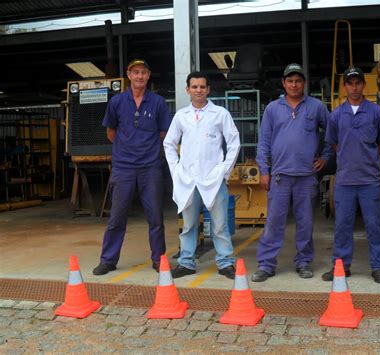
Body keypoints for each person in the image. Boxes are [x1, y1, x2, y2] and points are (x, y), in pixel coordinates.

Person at [252, 63, 333, 282]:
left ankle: (304, 262)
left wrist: (325, 157)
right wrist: (264, 170)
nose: (294, 84)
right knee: (274, 222)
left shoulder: (316, 107)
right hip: (279, 175)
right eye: (290, 81)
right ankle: (266, 264)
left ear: (304, 83)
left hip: (306, 176)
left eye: (298, 81)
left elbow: (331, 133)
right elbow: (264, 142)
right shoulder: (272, 109)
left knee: (305, 222)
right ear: (284, 83)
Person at [93, 59, 172, 275]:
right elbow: (111, 132)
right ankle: (108, 260)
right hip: (124, 167)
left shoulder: (157, 102)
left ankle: (159, 259)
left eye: (143, 72)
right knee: (117, 216)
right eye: (135, 72)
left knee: (155, 216)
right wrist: (127, 147)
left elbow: (163, 132)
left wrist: (145, 148)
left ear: (148, 76)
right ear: (129, 75)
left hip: (150, 167)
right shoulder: (117, 102)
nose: (139, 76)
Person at [163, 72, 240, 280]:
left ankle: (225, 262)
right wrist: (176, 170)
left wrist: (224, 171)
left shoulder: (220, 114)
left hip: (214, 179)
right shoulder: (181, 116)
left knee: (220, 224)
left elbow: (234, 142)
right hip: (188, 180)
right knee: (188, 225)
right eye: (194, 87)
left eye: (202, 87)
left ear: (208, 89)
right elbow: (169, 143)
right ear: (187, 90)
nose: (198, 90)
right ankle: (186, 262)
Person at [322, 67, 380, 283]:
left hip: (369, 180)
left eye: (358, 83)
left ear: (364, 85)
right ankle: (342, 266)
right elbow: (334, 144)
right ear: (344, 87)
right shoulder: (336, 115)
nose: (354, 87)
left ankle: (379, 267)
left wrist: (368, 157)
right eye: (350, 83)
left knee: (374, 225)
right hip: (344, 180)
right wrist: (349, 156)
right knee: (343, 225)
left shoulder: (376, 112)